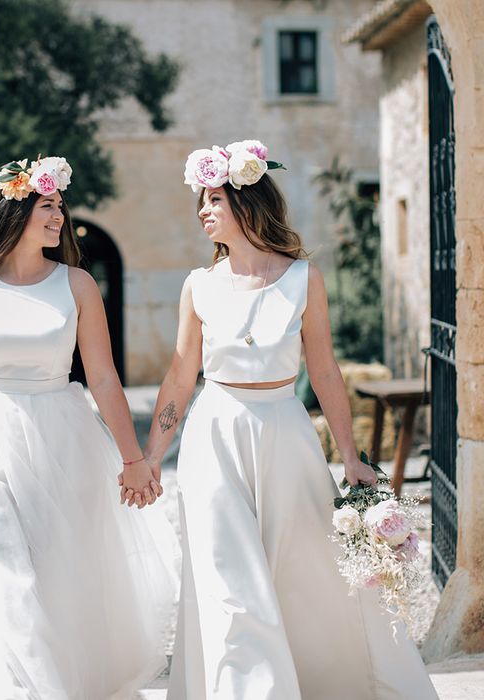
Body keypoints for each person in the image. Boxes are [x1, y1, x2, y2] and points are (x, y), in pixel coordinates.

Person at [128, 141, 438, 699]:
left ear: (246, 203)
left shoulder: (303, 279)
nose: (203, 211)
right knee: (229, 580)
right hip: (215, 436)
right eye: (202, 200)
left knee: (300, 573)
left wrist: (350, 459)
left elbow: (324, 372)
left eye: (214, 199)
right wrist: (152, 457)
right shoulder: (197, 286)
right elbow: (179, 380)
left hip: (285, 434)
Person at [0, 156, 176, 699]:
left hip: (61, 440)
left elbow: (105, 379)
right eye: (49, 206)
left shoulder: (77, 285)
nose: (60, 217)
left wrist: (133, 459)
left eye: (59, 207)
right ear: (16, 209)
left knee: (54, 580)